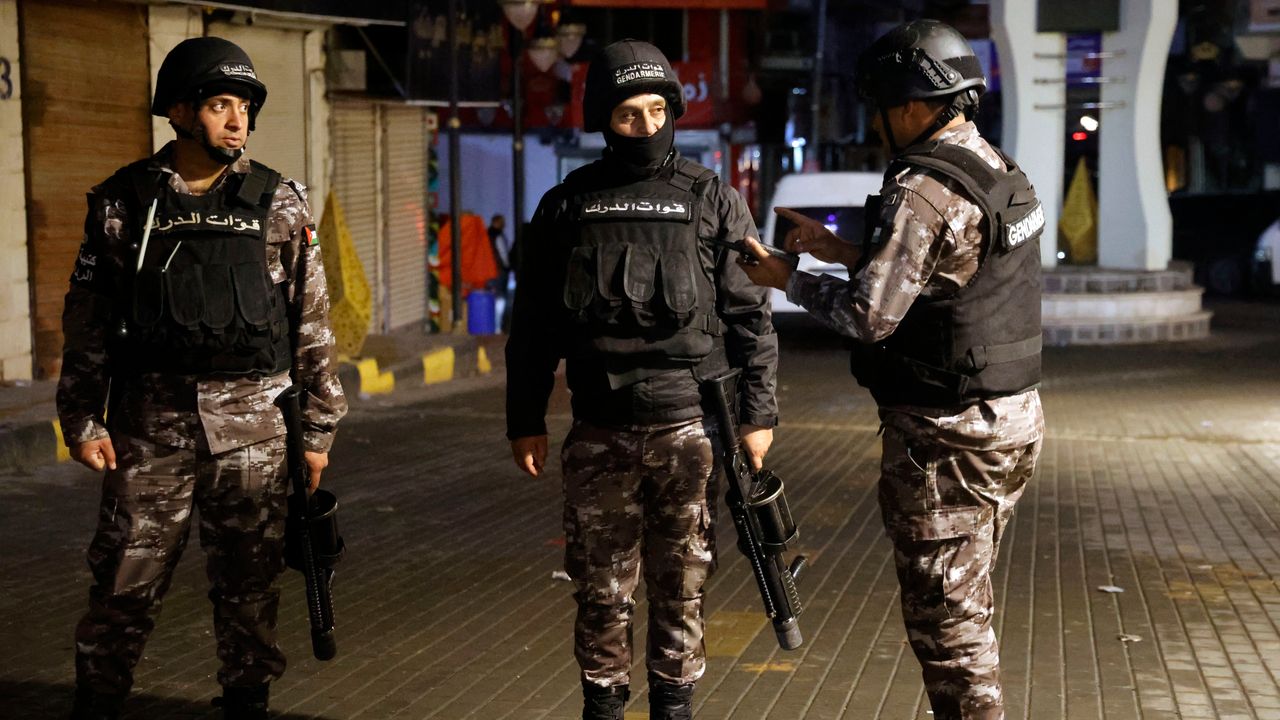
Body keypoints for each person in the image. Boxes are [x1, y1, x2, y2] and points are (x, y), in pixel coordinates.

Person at [739, 20, 1045, 720]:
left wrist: (788, 277)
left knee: (948, 624)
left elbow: (868, 317)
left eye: (880, 108)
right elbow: (948, 271)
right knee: (967, 601)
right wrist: (843, 250)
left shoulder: (922, 186)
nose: (877, 124)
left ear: (908, 104)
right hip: (1009, 420)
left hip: (948, 436)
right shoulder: (994, 167)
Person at [57, 36, 347, 720]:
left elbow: (310, 319)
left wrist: (319, 429)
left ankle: (247, 704)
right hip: (148, 432)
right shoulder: (124, 202)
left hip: (255, 434)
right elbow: (89, 320)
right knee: (122, 587)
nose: (238, 120)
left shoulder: (279, 203)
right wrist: (82, 418)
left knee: (250, 592)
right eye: (221, 105)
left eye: (244, 107)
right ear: (181, 112)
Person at [505, 39, 778, 720]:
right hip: (599, 429)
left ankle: (673, 706)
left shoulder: (711, 198)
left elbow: (751, 317)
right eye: (629, 114)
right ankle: (603, 705)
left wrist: (758, 416)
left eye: (658, 110)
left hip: (691, 428)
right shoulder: (567, 204)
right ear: (604, 118)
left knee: (682, 584)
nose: (647, 126)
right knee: (601, 589)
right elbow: (533, 325)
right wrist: (525, 418)